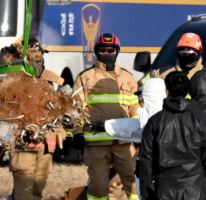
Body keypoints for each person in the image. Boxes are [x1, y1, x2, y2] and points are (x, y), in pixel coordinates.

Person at [0, 38, 66, 200]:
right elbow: (4, 112)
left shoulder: (49, 80)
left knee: (37, 191)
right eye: (35, 56)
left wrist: (60, 131)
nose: (39, 60)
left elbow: (55, 111)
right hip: (22, 146)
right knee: (24, 193)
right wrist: (3, 139)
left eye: (40, 56)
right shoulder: (12, 82)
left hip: (44, 147)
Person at [73, 33, 139, 200]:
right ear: (97, 51)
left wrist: (140, 132)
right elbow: (76, 108)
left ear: (117, 52)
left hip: (123, 142)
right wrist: (77, 132)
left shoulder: (127, 78)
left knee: (132, 184)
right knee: (98, 186)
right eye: (103, 50)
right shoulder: (85, 78)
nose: (107, 53)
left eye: (111, 50)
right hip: (96, 143)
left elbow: (135, 107)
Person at [138, 71, 206, 200]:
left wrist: (146, 191)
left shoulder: (155, 121)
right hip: (195, 188)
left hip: (164, 189)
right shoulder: (201, 119)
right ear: (188, 91)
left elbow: (146, 159)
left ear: (166, 90)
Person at [104, 78, 166, 142]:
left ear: (150, 97)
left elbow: (131, 127)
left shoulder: (154, 123)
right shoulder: (170, 118)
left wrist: (106, 126)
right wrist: (106, 126)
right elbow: (128, 126)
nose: (139, 100)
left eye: (141, 97)